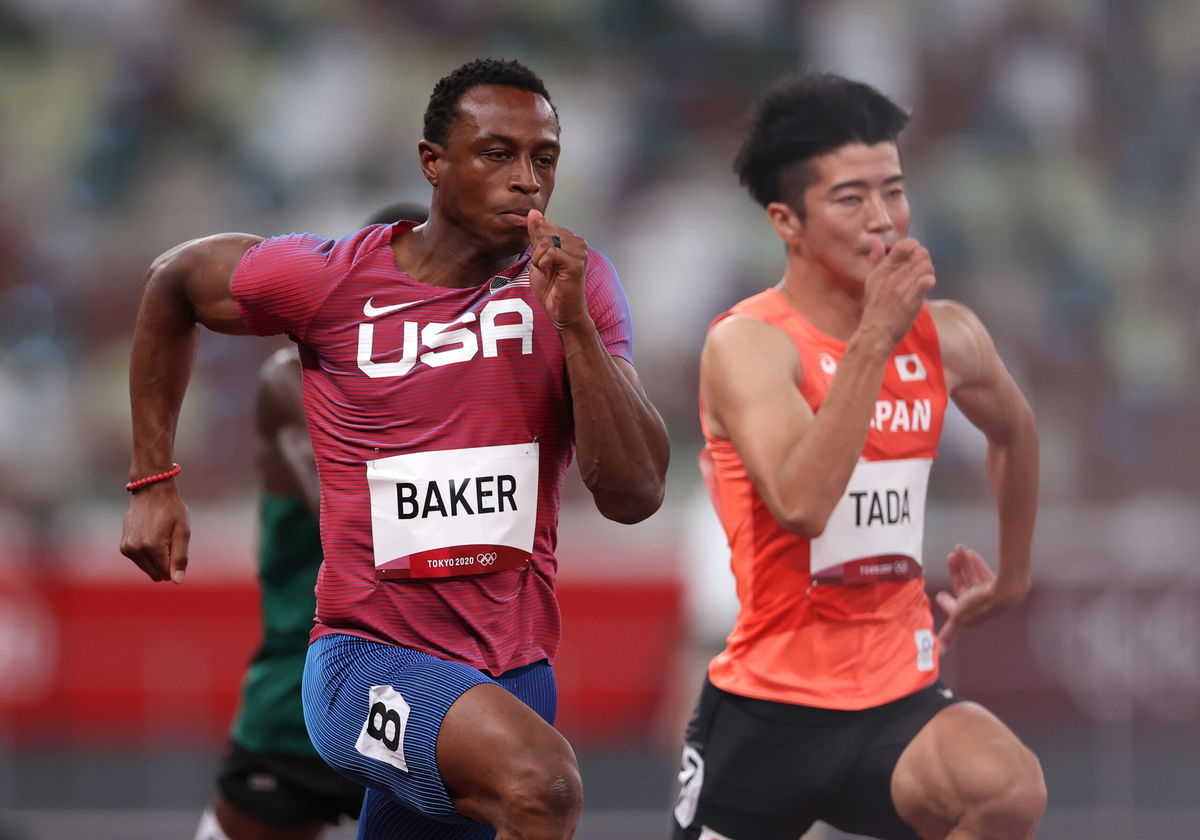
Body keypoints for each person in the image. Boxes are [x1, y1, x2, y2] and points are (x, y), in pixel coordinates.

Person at [121, 58, 669, 840]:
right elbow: (174, 280)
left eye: (543, 159)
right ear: (432, 163)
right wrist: (153, 480)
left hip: (512, 675)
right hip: (367, 662)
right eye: (496, 153)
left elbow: (635, 495)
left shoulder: (575, 288)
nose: (527, 182)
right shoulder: (330, 282)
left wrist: (574, 324)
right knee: (541, 786)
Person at [671, 74, 1046, 840]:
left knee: (1006, 790)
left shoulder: (947, 334)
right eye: (850, 199)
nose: (883, 221)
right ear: (788, 221)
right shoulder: (748, 345)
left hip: (895, 702)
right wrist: (875, 335)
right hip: (766, 712)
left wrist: (1012, 574)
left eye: (895, 191)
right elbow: (802, 505)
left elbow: (1015, 431)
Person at [195, 203, 429, 840]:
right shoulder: (293, 377)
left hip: (425, 693)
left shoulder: (463, 387)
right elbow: (345, 510)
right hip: (301, 698)